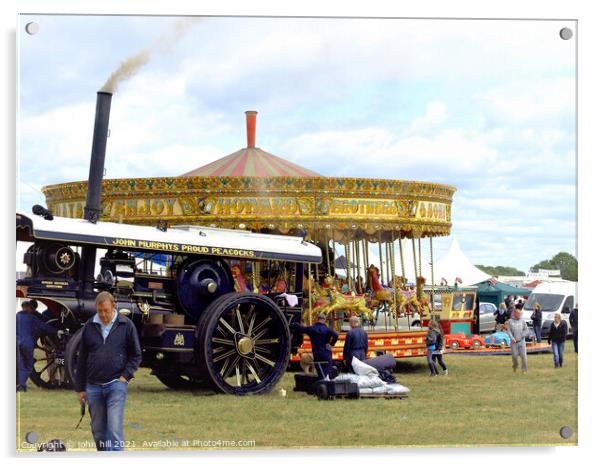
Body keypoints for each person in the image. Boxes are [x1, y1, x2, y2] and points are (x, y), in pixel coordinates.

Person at [74, 291, 142, 451]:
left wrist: (125, 376)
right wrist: (80, 389)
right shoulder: (89, 326)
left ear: (114, 306)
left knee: (114, 428)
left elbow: (136, 355)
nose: (103, 315)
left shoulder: (126, 325)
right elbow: (82, 358)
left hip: (116, 385)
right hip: (93, 387)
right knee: (98, 431)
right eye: (100, 311)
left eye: (106, 310)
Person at [16, 300, 60, 392]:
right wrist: (57, 331)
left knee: (20, 364)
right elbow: (44, 326)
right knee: (28, 365)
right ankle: (21, 385)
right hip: (27, 343)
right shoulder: (31, 317)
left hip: (17, 342)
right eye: (32, 308)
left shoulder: (16, 316)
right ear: (28, 308)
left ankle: (18, 384)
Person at [293, 313, 338, 379]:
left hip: (317, 353)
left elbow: (302, 329)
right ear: (324, 320)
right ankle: (326, 381)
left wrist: (295, 324)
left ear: (317, 319)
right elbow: (336, 335)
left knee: (319, 369)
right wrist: (331, 344)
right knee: (327, 369)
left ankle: (322, 381)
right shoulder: (327, 330)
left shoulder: (312, 329)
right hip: (326, 352)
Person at [505, 307, 529, 373]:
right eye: (518, 314)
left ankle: (524, 370)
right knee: (515, 356)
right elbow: (508, 331)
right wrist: (512, 338)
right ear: (514, 314)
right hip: (514, 343)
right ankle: (515, 366)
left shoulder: (523, 321)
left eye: (520, 314)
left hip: (522, 341)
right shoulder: (510, 321)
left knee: (524, 357)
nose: (519, 315)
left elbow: (527, 330)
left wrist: (522, 335)